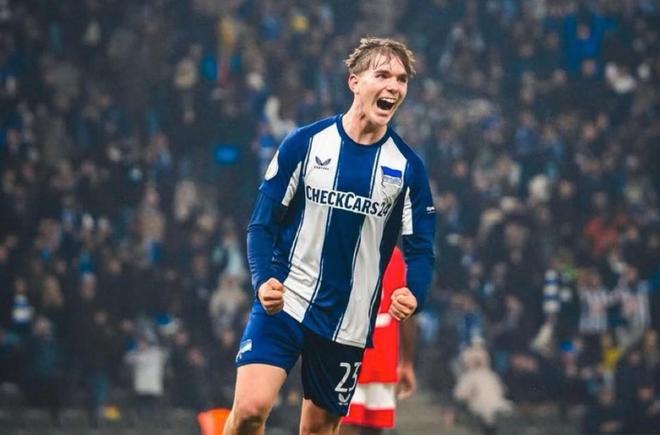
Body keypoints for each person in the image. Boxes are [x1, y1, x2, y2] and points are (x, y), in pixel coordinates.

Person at [223, 37, 436, 435]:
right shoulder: (304, 144)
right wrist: (262, 279)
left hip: (347, 321)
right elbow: (262, 224)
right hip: (286, 300)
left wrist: (415, 292)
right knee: (250, 409)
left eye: (401, 79)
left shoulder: (408, 167)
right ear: (354, 81)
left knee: (318, 431)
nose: (393, 86)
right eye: (383, 75)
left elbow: (422, 247)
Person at [340, 247, 418, 434]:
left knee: (340, 423)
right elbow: (407, 314)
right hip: (382, 359)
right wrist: (407, 361)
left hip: (346, 356)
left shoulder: (342, 246)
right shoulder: (394, 255)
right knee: (371, 428)